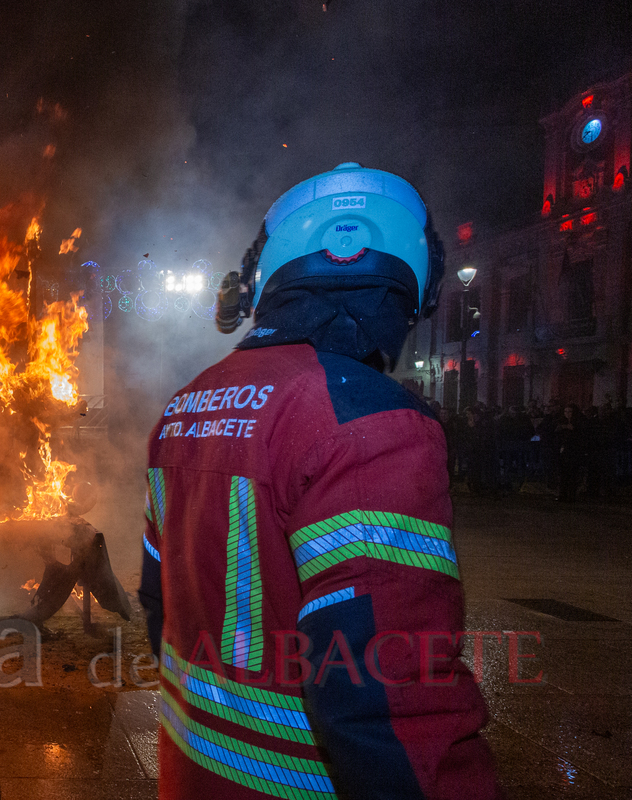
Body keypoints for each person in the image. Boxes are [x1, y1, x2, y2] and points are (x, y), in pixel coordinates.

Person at [139, 163, 499, 798]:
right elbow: (388, 695)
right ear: (410, 288)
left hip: (187, 772)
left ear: (270, 281)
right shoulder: (370, 419)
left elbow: (157, 600)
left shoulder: (184, 405)